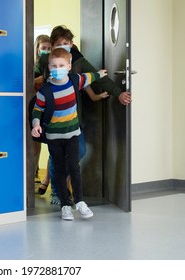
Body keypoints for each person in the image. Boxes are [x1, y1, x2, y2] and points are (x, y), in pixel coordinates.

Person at [36, 25, 129, 205]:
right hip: (53, 121)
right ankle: (57, 192)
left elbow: (98, 77)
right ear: (52, 45)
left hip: (72, 118)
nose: (62, 46)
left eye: (66, 43)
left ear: (71, 44)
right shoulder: (46, 60)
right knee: (57, 158)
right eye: (58, 44)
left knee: (80, 150)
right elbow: (34, 74)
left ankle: (60, 181)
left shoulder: (78, 61)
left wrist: (118, 93)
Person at [31, 47, 107, 220]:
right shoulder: (45, 91)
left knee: (74, 167)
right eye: (54, 66)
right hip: (54, 137)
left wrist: (101, 74)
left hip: (72, 134)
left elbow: (90, 76)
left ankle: (79, 202)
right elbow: (37, 110)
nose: (57, 69)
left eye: (61, 65)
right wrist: (36, 124)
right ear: (48, 67)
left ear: (69, 65)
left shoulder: (75, 81)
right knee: (58, 170)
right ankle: (65, 205)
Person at [32, 35, 51, 190]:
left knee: (51, 145)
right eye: (43, 48)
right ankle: (32, 173)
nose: (46, 51)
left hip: (48, 108)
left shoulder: (51, 66)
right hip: (35, 107)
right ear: (37, 48)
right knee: (34, 144)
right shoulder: (32, 65)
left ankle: (46, 180)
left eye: (49, 48)